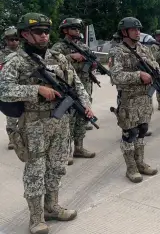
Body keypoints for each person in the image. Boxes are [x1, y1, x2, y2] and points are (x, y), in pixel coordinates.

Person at [0, 13, 94, 234]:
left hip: (60, 122)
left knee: (57, 167)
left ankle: (51, 207)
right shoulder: (16, 61)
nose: (44, 36)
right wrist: (36, 90)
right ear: (25, 34)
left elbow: (76, 83)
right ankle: (36, 218)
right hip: (33, 125)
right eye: (38, 32)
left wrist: (86, 103)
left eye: (46, 31)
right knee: (35, 171)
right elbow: (3, 89)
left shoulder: (57, 57)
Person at [109, 17, 160, 183]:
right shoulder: (117, 51)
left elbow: (156, 66)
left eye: (139, 29)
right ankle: (131, 168)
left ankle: (140, 163)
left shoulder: (144, 49)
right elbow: (116, 76)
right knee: (130, 134)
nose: (138, 32)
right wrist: (138, 75)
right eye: (134, 29)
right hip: (129, 100)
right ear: (124, 32)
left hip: (145, 98)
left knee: (143, 130)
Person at [51, 18, 96, 165]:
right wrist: (71, 57)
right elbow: (51, 64)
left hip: (84, 86)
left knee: (83, 117)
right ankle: (67, 151)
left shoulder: (84, 47)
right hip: (68, 88)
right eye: (74, 28)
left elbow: (92, 65)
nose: (78, 31)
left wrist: (92, 64)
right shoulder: (59, 47)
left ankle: (79, 147)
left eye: (78, 28)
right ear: (65, 30)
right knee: (68, 119)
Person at [0, 26, 21, 150]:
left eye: (16, 39)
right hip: (9, 89)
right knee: (12, 117)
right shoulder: (1, 54)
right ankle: (12, 140)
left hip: (24, 87)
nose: (14, 42)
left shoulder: (24, 52)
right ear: (6, 41)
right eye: (11, 40)